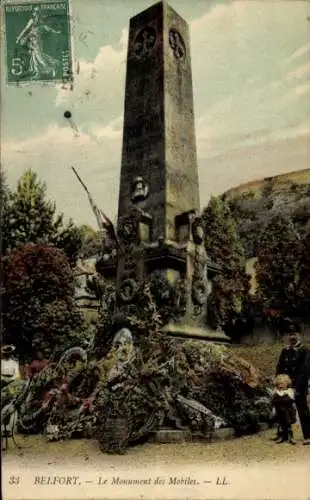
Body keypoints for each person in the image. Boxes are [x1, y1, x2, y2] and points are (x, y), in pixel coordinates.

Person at [276, 322, 310, 445]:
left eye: (294, 334)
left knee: (302, 409)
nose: (292, 337)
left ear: (299, 335)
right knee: (283, 409)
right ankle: (285, 435)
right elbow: (279, 368)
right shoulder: (285, 350)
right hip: (285, 386)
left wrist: (297, 387)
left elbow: (304, 371)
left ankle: (307, 435)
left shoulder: (304, 350)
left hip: (298, 386)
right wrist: (279, 382)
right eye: (290, 335)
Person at [272, 374, 296, 444]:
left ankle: (292, 437)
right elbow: (273, 401)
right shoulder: (276, 392)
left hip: (289, 412)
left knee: (290, 425)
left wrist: (281, 398)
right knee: (282, 425)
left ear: (287, 383)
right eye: (279, 384)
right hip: (280, 413)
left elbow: (290, 400)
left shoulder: (289, 391)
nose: (280, 385)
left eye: (282, 383)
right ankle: (283, 437)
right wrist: (280, 398)